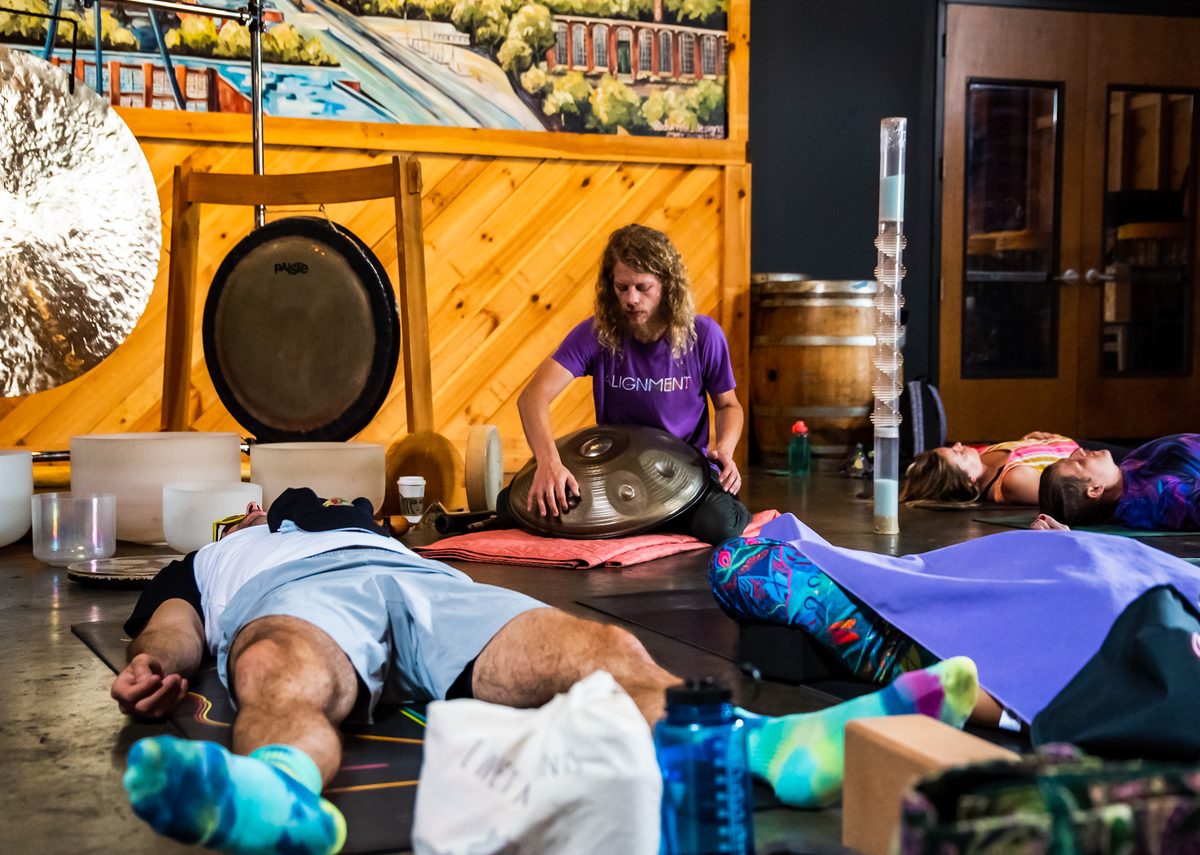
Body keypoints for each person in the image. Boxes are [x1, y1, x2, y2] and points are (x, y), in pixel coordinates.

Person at [111, 488, 979, 855]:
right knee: (279, 667)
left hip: (428, 586)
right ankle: (282, 793)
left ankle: (772, 749)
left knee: (599, 649)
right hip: (299, 601)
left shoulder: (363, 521)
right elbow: (172, 630)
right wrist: (153, 664)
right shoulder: (214, 557)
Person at [710, 513, 1200, 739]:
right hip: (1113, 575)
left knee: (742, 567)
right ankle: (920, 665)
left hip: (1111, 613)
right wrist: (1073, 543)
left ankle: (913, 664)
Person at [511, 223, 750, 544]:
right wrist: (549, 463)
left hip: (684, 473)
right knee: (513, 506)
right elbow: (532, 397)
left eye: (642, 287)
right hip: (613, 474)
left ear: (667, 285)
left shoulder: (704, 335)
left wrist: (725, 449)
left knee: (721, 525)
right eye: (622, 288)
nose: (631, 299)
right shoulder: (596, 333)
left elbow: (729, 405)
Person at [1036, 434, 1200, 530]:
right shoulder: (1163, 498)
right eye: (1079, 463)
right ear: (1095, 489)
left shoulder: (1125, 473)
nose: (1079, 451)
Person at [900, 432, 1079, 506]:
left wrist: (1032, 441)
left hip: (1076, 446)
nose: (959, 444)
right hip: (1086, 457)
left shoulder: (980, 459)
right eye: (958, 453)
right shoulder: (1013, 480)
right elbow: (1071, 492)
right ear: (968, 480)